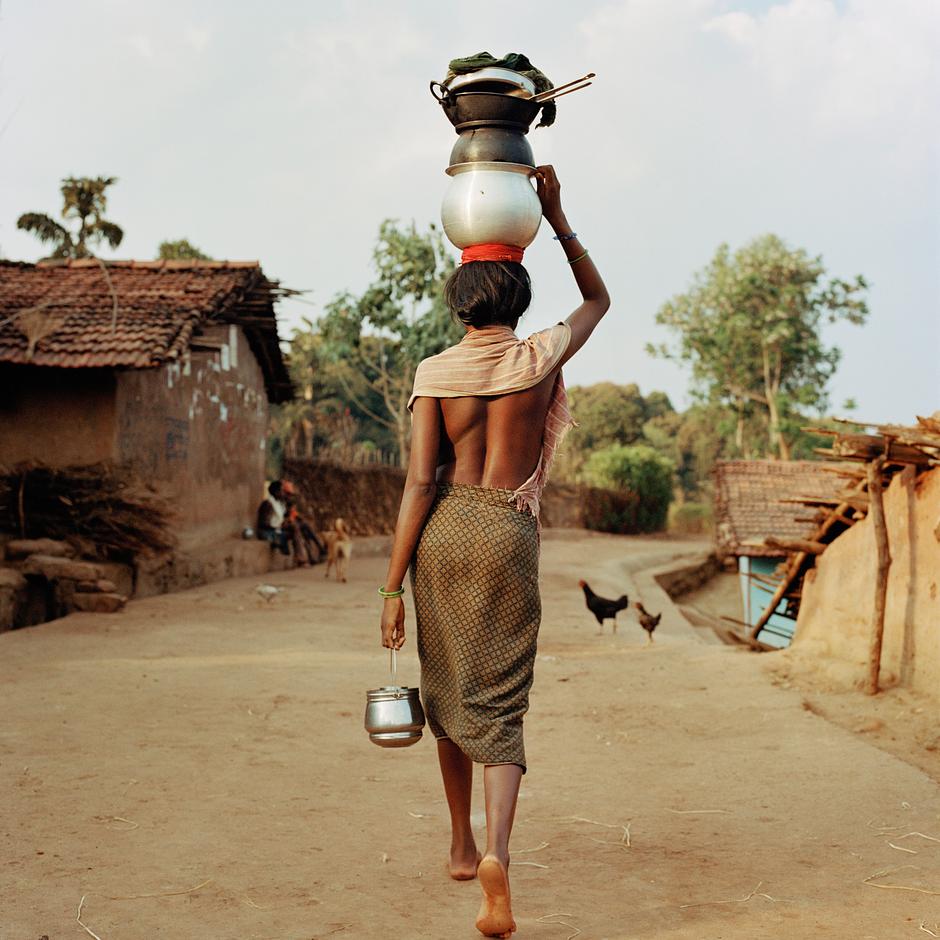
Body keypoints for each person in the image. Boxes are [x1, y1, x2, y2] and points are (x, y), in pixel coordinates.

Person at [379, 165, 610, 938]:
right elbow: (599, 300)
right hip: (507, 531)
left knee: (446, 689)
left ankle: (457, 842)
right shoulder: (540, 357)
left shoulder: (434, 374)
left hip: (443, 533)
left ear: (457, 302)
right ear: (519, 301)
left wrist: (389, 589)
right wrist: (557, 214)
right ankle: (498, 855)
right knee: (501, 702)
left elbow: (418, 483)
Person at [281, 481, 326, 566]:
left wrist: (298, 518)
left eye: (290, 494)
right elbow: (282, 519)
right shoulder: (279, 503)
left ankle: (318, 550)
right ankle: (302, 559)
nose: (289, 496)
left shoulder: (289, 503)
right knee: (298, 530)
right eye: (287, 494)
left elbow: (295, 516)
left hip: (292, 523)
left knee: (306, 529)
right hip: (285, 525)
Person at [257, 480, 290, 555]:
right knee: (284, 535)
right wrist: (278, 527)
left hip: (275, 530)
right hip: (267, 532)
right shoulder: (268, 504)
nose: (283, 493)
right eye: (282, 491)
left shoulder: (279, 503)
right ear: (276, 492)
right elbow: (263, 523)